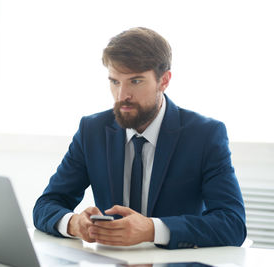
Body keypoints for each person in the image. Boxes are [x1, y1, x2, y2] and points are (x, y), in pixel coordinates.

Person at [33, 27, 246, 249]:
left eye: (135, 81)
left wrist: (152, 230)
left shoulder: (204, 135)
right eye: (115, 81)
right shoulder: (92, 130)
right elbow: (46, 205)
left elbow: (232, 224)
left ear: (164, 81)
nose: (122, 95)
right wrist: (73, 224)